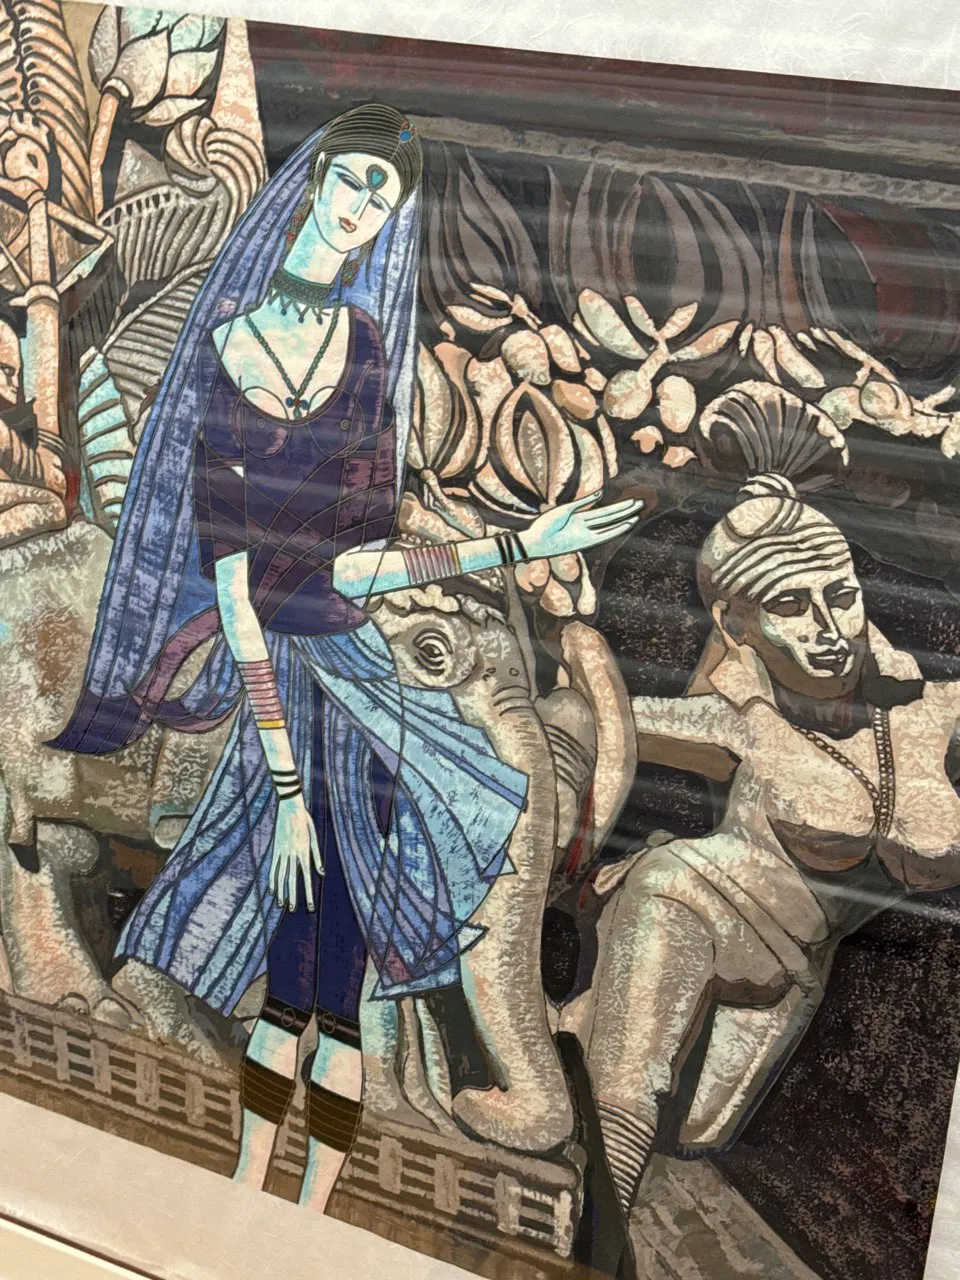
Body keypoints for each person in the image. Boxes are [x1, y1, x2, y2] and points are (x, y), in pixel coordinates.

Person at [51, 102, 641, 1210]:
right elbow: (237, 590)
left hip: (367, 700)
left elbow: (361, 565)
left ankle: (310, 1217)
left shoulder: (367, 351)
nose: (366, 207)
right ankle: (246, 1193)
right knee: (286, 981)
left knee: (340, 984)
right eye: (355, 181)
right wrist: (282, 785)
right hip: (282, 702)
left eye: (386, 196)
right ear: (316, 181)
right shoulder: (226, 347)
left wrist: (522, 543)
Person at [575, 381, 960, 1277]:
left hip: (795, 968)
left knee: (695, 1139)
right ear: (735, 621)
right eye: (791, 605)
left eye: (842, 595)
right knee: (625, 1112)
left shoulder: (929, 714)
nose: (829, 629)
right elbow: (587, 715)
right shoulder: (735, 719)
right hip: (693, 901)